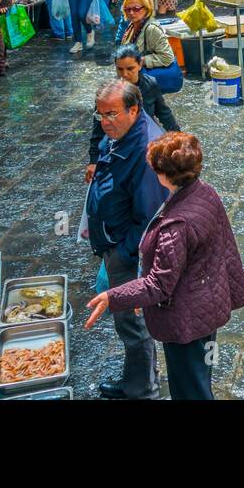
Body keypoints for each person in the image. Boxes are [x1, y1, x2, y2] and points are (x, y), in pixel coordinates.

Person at [85, 131, 244, 400]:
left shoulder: (177, 225)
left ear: (163, 174)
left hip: (186, 316)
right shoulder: (205, 193)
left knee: (189, 389)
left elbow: (159, 285)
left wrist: (113, 296)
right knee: (199, 377)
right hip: (207, 304)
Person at [84, 80, 169, 399]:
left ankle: (142, 389)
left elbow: (149, 220)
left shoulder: (147, 152)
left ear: (134, 110)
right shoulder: (121, 133)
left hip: (129, 253)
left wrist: (121, 251)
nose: (105, 122)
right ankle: (143, 376)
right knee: (131, 320)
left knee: (132, 323)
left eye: (111, 114)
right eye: (100, 115)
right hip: (114, 239)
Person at [90, 46, 179, 145]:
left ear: (140, 64)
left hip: (146, 140)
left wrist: (179, 138)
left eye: (130, 69)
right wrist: (94, 157)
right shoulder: (108, 93)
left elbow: (164, 114)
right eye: (120, 69)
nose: (125, 74)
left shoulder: (150, 84)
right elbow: (98, 130)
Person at [115, 0, 184, 92]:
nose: (131, 13)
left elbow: (167, 57)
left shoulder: (152, 29)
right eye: (128, 9)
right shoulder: (132, 25)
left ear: (147, 8)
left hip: (147, 82)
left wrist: (141, 61)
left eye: (136, 9)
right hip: (135, 81)